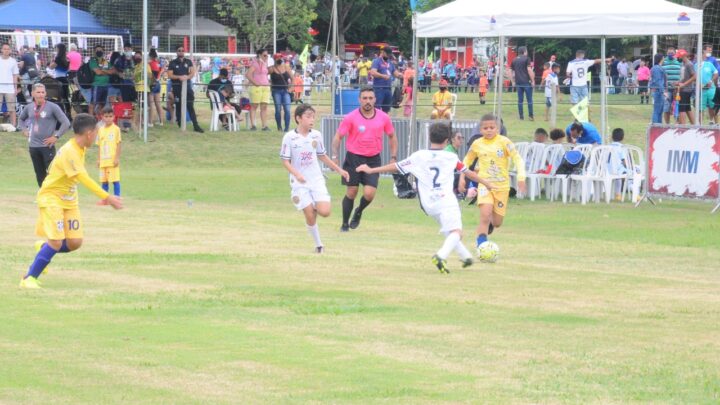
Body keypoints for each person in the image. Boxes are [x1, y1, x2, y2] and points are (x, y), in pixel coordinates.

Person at [357, 122, 492, 272]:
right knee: (457, 232)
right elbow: (469, 173)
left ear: (429, 138)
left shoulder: (419, 156)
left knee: (449, 230)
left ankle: (466, 257)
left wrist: (371, 170)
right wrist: (486, 183)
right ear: (447, 140)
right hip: (446, 200)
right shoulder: (451, 157)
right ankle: (441, 256)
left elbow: (396, 167)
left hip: (429, 204)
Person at [19, 113, 123, 289]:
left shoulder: (81, 148)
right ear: (89, 133)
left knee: (75, 242)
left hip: (69, 200)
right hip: (52, 198)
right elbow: (83, 178)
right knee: (56, 241)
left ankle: (43, 248)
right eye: (96, 133)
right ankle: (29, 278)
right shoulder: (70, 151)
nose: (97, 136)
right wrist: (107, 197)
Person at [281, 104, 349, 254]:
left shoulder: (316, 135)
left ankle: (312, 203)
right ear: (298, 118)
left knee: (325, 212)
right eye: (308, 116)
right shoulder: (289, 137)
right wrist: (296, 174)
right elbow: (285, 161)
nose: (312, 120)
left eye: (313, 116)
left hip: (316, 179)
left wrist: (339, 170)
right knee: (309, 214)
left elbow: (322, 155)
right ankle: (319, 245)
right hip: (299, 182)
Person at [331, 87, 398, 232]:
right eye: (365, 98)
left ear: (375, 99)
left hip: (373, 160)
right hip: (353, 158)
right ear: (359, 100)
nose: (368, 101)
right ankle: (344, 224)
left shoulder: (383, 117)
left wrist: (393, 157)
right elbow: (338, 137)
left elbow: (392, 136)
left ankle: (359, 211)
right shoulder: (350, 117)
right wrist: (335, 156)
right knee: (352, 192)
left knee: (369, 194)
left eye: (370, 98)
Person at [460, 114, 526, 249]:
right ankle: (482, 246)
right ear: (480, 130)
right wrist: (462, 177)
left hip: (502, 187)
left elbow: (517, 158)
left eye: (492, 127)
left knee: (497, 222)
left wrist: (521, 178)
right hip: (485, 185)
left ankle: (489, 224)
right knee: (485, 214)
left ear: (497, 128)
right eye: (485, 128)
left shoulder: (505, 142)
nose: (489, 130)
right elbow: (466, 161)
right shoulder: (477, 144)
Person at [20, 83, 72, 187]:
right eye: (38, 92)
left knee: (52, 173)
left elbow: (66, 123)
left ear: (45, 93)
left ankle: (55, 195)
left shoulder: (53, 107)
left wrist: (56, 136)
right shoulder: (29, 107)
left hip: (47, 146)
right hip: (33, 147)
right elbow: (21, 119)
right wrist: (24, 129)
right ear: (33, 93)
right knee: (39, 174)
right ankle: (42, 196)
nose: (40, 95)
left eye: (43, 92)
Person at [168, 46, 204, 133]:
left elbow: (192, 72)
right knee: (179, 105)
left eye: (182, 51)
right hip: (177, 87)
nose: (181, 52)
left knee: (190, 106)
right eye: (179, 50)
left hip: (187, 87)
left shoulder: (188, 61)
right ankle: (180, 124)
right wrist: (179, 77)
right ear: (176, 52)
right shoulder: (172, 63)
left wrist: (187, 77)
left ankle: (196, 125)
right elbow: (170, 75)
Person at [97, 106, 122, 199]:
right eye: (106, 116)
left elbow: (119, 144)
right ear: (102, 117)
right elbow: (99, 145)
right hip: (103, 161)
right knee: (104, 181)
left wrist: (117, 158)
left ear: (114, 117)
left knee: (115, 180)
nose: (108, 118)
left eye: (110, 116)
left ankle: (117, 197)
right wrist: (98, 159)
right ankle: (104, 198)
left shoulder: (116, 129)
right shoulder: (100, 130)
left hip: (112, 160)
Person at [369, 49, 401, 113]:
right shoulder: (376, 61)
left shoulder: (390, 63)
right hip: (379, 89)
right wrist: (383, 76)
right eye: (387, 54)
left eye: (390, 55)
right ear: (383, 52)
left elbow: (395, 73)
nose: (389, 56)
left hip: (388, 89)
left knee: (386, 109)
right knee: (376, 108)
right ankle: (376, 122)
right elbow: (373, 72)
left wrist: (401, 75)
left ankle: (385, 122)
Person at [246, 48, 271, 131]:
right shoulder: (255, 63)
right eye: (264, 55)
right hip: (256, 87)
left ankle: (264, 126)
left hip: (265, 86)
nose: (266, 57)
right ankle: (253, 125)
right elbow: (248, 74)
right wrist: (255, 83)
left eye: (267, 55)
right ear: (260, 55)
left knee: (264, 106)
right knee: (254, 106)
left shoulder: (266, 63)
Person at [89, 45, 114, 116]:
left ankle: (100, 119)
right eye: (97, 50)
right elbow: (98, 72)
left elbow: (112, 71)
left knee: (102, 104)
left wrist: (102, 70)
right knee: (93, 103)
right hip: (97, 85)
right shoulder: (93, 61)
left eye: (100, 50)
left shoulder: (104, 61)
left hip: (105, 85)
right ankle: (90, 119)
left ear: (103, 51)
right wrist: (106, 71)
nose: (99, 51)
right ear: (94, 52)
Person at [511, 46, 535, 121]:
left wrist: (513, 81)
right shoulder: (527, 58)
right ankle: (530, 116)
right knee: (529, 100)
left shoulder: (514, 60)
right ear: (524, 51)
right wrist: (533, 80)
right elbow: (529, 69)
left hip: (518, 83)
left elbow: (510, 71)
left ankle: (521, 117)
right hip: (526, 82)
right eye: (526, 51)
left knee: (520, 100)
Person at [270, 53, 292, 132]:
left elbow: (292, 78)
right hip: (276, 91)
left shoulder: (286, 67)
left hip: (285, 91)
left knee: (287, 110)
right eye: (278, 58)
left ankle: (286, 128)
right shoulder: (272, 68)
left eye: (280, 58)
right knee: (278, 110)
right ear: (274, 59)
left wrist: (291, 88)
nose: (280, 59)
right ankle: (279, 127)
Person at [1, 43, 21, 127]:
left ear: (10, 50)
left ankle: (13, 125)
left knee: (12, 108)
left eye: (8, 49)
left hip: (10, 88)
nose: (6, 50)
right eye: (4, 49)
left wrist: (15, 88)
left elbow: (15, 75)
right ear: (1, 50)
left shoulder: (13, 61)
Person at [696, 51, 718, 123]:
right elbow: (693, 77)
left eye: (702, 54)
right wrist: (698, 84)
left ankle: (715, 123)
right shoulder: (695, 65)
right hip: (700, 91)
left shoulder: (709, 64)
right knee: (700, 108)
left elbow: (716, 73)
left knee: (713, 106)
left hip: (711, 89)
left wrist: (711, 81)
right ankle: (699, 125)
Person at [674, 49, 696, 125]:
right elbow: (684, 77)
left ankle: (683, 127)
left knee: (681, 109)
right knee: (687, 108)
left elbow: (694, 77)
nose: (677, 58)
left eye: (678, 57)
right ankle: (694, 125)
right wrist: (679, 82)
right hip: (683, 89)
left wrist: (684, 84)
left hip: (686, 90)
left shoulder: (689, 64)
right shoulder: (683, 64)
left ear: (683, 56)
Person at [662, 47, 682, 124]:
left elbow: (682, 74)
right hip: (667, 89)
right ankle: (667, 124)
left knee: (677, 106)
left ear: (675, 54)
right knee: (666, 107)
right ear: (667, 54)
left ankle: (677, 122)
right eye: (669, 53)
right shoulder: (664, 62)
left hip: (677, 89)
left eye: (672, 53)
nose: (670, 54)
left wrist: (679, 83)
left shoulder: (678, 62)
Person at [609, 128, 629, 201]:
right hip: (617, 171)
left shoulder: (607, 147)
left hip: (606, 171)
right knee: (629, 172)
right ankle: (619, 194)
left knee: (619, 173)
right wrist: (629, 168)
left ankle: (615, 193)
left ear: (612, 137)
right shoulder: (621, 148)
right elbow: (624, 161)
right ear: (623, 137)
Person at [649, 54, 667, 124]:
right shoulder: (657, 68)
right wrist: (663, 91)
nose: (664, 59)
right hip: (659, 91)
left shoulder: (658, 68)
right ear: (661, 59)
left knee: (659, 111)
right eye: (663, 58)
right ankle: (656, 125)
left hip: (659, 91)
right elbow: (658, 81)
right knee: (657, 110)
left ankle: (659, 125)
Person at [148, 48, 164, 126]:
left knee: (151, 103)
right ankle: (161, 121)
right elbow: (161, 71)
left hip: (152, 84)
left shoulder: (150, 63)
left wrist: (152, 81)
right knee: (158, 103)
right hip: (158, 83)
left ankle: (150, 122)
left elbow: (152, 74)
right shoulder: (158, 63)